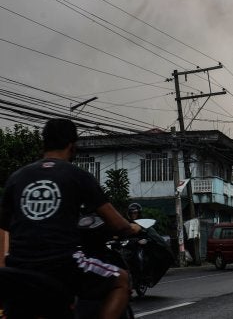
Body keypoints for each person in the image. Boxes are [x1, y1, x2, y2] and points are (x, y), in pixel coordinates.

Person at [0, 118, 141, 318]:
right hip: (64, 266)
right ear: (72, 145)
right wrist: (133, 228)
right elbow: (117, 224)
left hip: (18, 268)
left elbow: (3, 227)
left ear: (44, 144)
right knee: (122, 280)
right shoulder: (78, 176)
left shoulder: (16, 177)